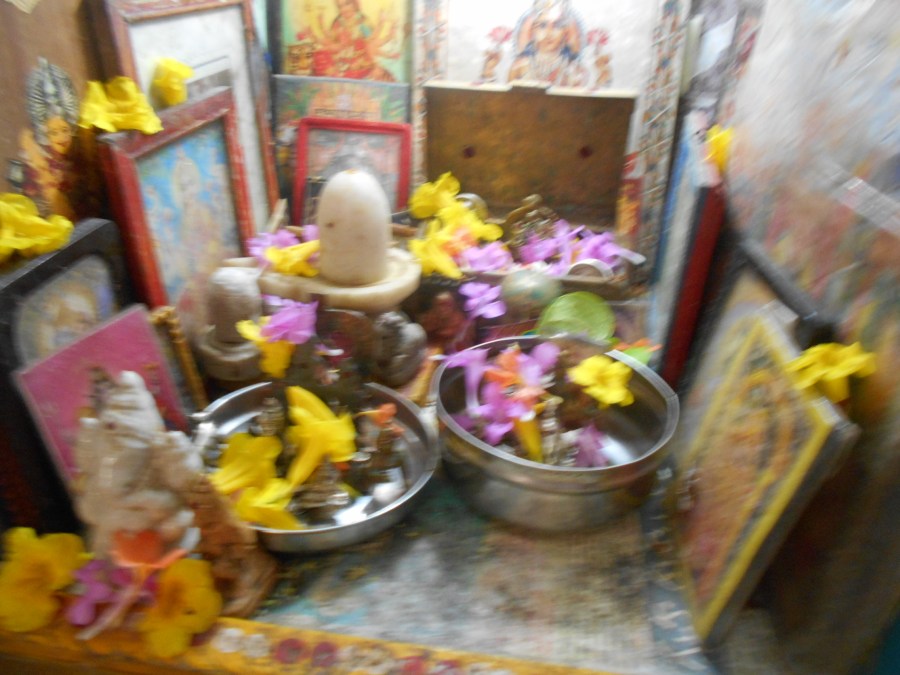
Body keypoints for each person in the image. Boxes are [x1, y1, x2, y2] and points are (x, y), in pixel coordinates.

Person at [18, 58, 81, 219]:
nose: (62, 137)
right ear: (44, 135)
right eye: (53, 133)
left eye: (65, 130)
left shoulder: (76, 155)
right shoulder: (35, 164)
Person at [310, 0, 398, 81]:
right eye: (340, 6)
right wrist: (320, 24)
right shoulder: (338, 23)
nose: (344, 9)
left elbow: (372, 38)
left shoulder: (362, 22)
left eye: (347, 4)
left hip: (359, 60)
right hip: (341, 58)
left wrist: (381, 23)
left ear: (355, 4)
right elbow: (330, 38)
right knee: (320, 53)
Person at [508, 0, 587, 87]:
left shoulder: (575, 70)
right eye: (542, 26)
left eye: (557, 25)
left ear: (565, 31)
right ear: (533, 30)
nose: (549, 33)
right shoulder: (518, 68)